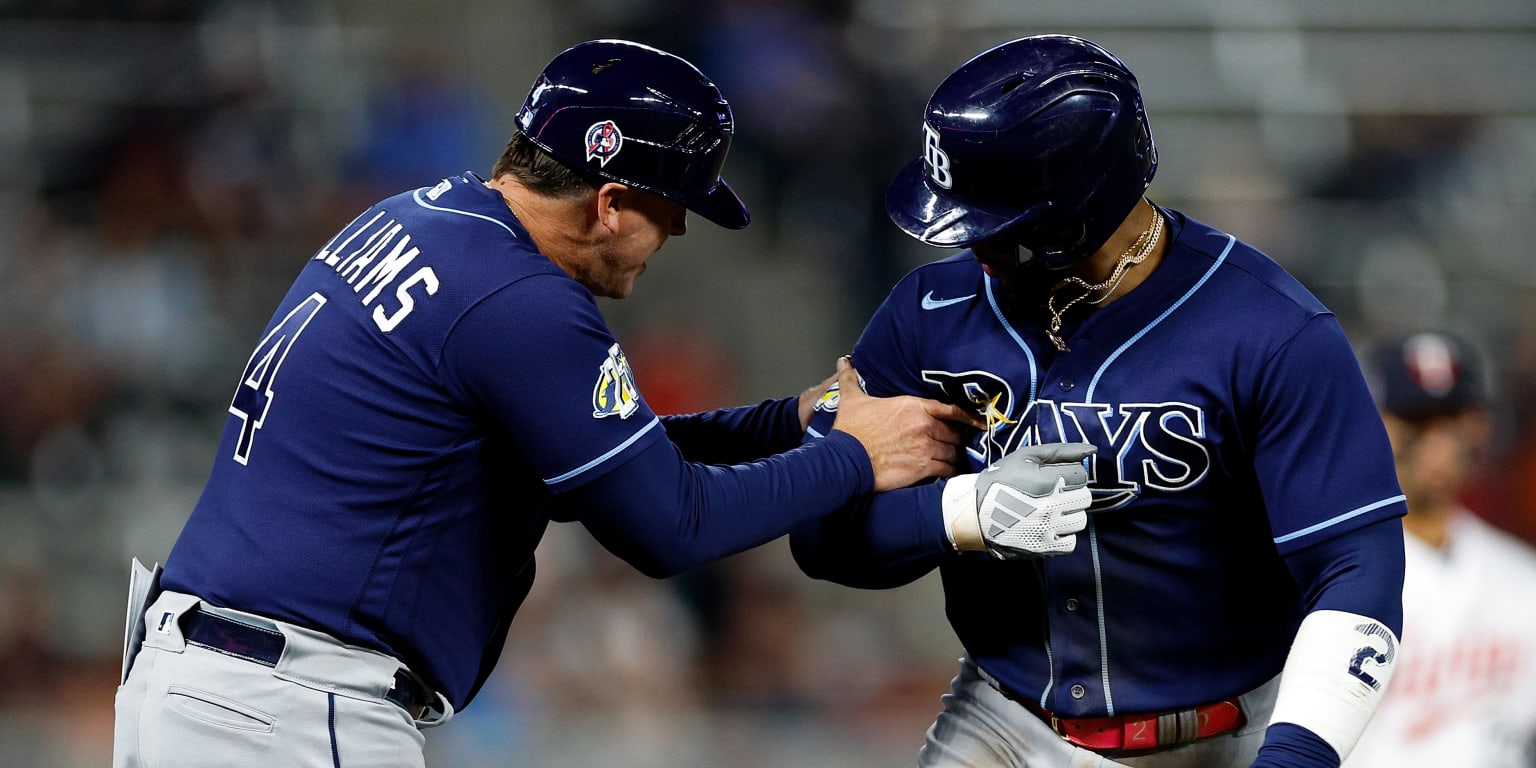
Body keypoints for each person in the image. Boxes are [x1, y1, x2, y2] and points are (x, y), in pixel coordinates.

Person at [111, 39, 991, 768]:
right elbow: (665, 527)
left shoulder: (420, 222)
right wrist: (856, 457)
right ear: (609, 203)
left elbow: (589, 463)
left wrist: (782, 423)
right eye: (671, 207)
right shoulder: (522, 300)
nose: (679, 232)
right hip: (291, 706)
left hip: (203, 683)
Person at [789, 34, 1408, 768]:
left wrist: (1297, 757)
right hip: (1002, 723)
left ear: (1078, 211)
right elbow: (823, 537)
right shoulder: (927, 312)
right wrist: (960, 516)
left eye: (994, 222)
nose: (969, 246)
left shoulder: (1272, 330)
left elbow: (1356, 565)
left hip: (1226, 737)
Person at [1345, 332, 1536, 767]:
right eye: (1417, 420)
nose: (1439, 443)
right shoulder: (1319, 576)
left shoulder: (1524, 579)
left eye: (1451, 419)